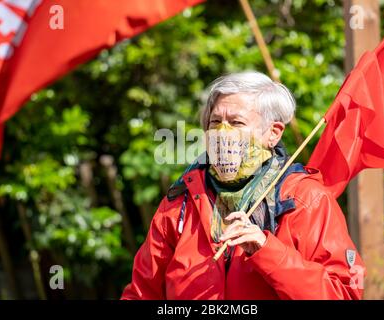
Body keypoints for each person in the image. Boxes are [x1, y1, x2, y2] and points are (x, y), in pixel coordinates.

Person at [121, 71, 365, 300]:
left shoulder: (305, 198)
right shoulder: (180, 202)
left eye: (236, 123)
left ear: (273, 133)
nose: (222, 132)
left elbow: (343, 293)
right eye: (215, 121)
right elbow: (141, 292)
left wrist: (266, 249)